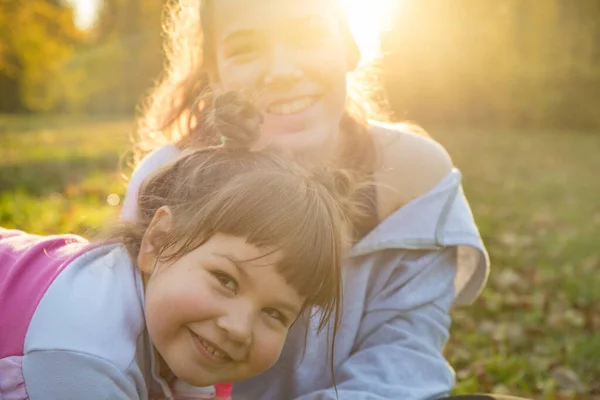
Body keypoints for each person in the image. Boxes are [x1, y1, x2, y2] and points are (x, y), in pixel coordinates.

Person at [123, 0, 490, 398]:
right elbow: (127, 349)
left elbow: (404, 360)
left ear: (348, 46)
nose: (282, 70)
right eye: (246, 48)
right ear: (216, 74)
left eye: (307, 35)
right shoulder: (173, 178)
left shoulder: (414, 177)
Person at [0, 93, 352, 400]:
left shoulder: (178, 321)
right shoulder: (84, 355)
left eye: (275, 314)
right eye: (225, 280)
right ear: (158, 240)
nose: (240, 327)